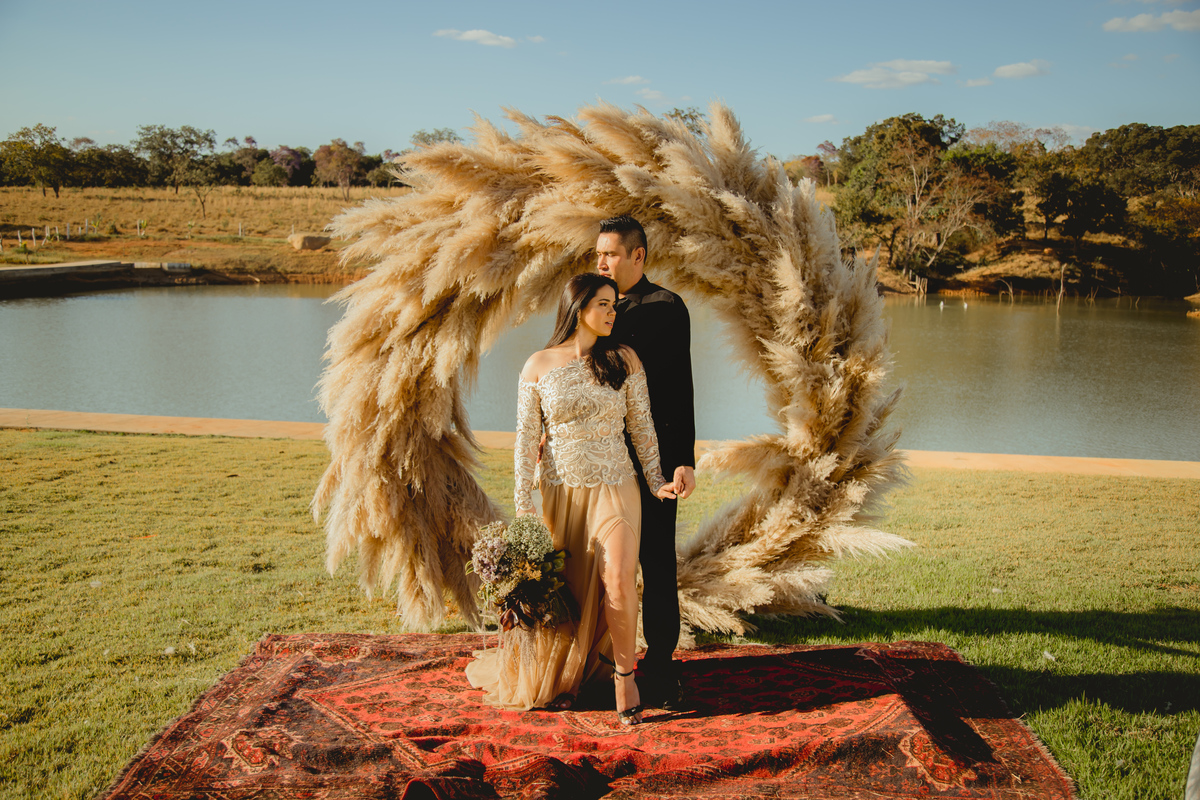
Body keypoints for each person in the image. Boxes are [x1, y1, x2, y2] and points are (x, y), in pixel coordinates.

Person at [465, 273, 677, 724]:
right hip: (558, 494)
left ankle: (625, 676)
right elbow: (525, 443)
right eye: (603, 304)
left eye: (614, 306)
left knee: (619, 580)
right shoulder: (537, 366)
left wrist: (656, 478)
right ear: (578, 307)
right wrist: (524, 509)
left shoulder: (625, 359)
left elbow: (642, 426)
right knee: (571, 594)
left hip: (617, 486)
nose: (612, 313)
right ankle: (569, 675)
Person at [595, 215, 696, 709]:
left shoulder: (668, 308)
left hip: (654, 462)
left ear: (638, 255)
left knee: (656, 564)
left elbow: (681, 389)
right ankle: (599, 664)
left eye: (610, 253)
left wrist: (684, 461)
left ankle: (659, 666)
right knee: (599, 563)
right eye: (598, 254)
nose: (602, 262)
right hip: (600, 458)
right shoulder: (591, 302)